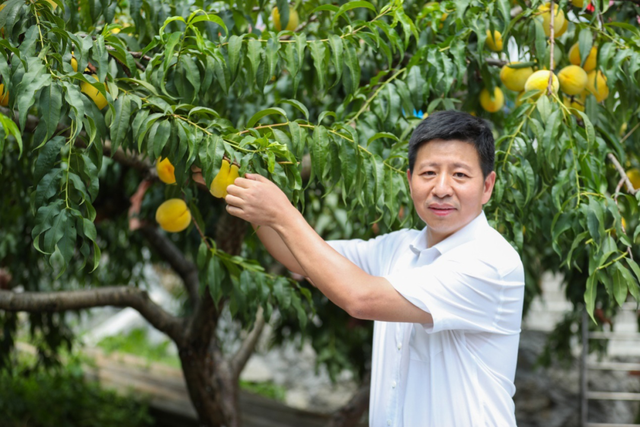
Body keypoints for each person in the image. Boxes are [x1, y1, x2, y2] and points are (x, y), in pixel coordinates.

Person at [223, 110, 525, 427]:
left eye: (460, 175)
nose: (441, 188)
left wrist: (282, 213)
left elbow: (361, 298)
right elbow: (300, 255)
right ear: (410, 181)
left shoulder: (490, 262)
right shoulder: (397, 248)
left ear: (487, 186)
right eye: (428, 173)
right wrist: (238, 187)